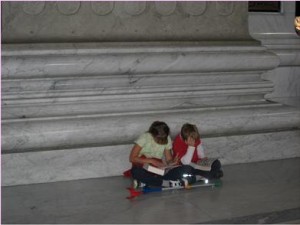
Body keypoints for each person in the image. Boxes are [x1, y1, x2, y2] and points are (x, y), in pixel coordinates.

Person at [129, 121, 195, 188]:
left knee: (187, 169)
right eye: (159, 139)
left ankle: (149, 183)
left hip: (159, 171)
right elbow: (132, 158)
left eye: (164, 139)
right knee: (137, 172)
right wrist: (152, 161)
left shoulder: (167, 139)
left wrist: (172, 162)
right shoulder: (145, 137)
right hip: (144, 167)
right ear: (152, 134)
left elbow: (169, 159)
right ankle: (165, 183)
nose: (162, 141)